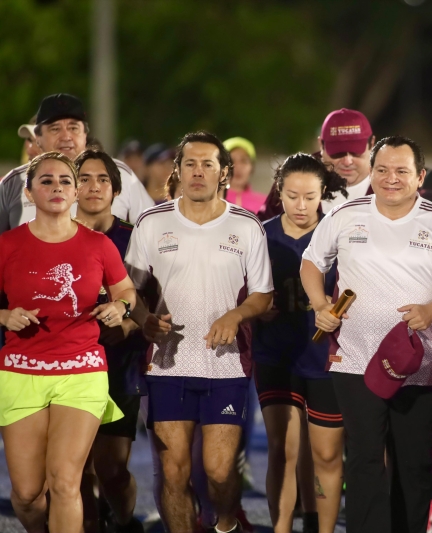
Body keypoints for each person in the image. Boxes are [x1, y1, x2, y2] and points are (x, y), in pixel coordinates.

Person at [301, 136, 432, 533]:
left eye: (401, 171)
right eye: (382, 169)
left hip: (418, 362)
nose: (390, 178)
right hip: (354, 358)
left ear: (420, 176)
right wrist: (319, 305)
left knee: (413, 462)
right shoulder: (347, 214)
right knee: (363, 458)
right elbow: (312, 262)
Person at [125, 131, 273, 533]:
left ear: (225, 173)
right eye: (190, 163)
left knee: (220, 472)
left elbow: (263, 296)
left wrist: (236, 315)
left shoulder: (246, 226)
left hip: (226, 366)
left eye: (208, 164)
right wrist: (143, 320)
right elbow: (128, 290)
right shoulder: (152, 223)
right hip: (166, 365)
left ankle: (225, 521)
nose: (198, 172)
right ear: (177, 170)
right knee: (173, 472)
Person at [0, 151, 137, 533]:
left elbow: (125, 289)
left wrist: (120, 306)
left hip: (82, 371)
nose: (56, 187)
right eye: (46, 180)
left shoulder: (98, 245)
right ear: (29, 193)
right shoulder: (7, 245)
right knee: (27, 495)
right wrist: (4, 316)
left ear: (76, 192)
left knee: (64, 481)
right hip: (20, 371)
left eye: (64, 181)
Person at [253, 153, 349, 533]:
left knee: (326, 454)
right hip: (276, 354)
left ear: (323, 192)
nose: (302, 206)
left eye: (310, 196)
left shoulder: (339, 234)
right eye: (293, 196)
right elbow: (241, 290)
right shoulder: (260, 233)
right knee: (283, 449)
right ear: (279, 192)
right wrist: (255, 309)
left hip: (325, 358)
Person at [73, 149, 147, 533]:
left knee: (111, 468)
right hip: (69, 363)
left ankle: (123, 520)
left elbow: (150, 304)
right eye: (84, 178)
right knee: (75, 467)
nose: (93, 187)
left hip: (119, 363)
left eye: (102, 179)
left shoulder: (135, 239)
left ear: (116, 189)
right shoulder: (54, 235)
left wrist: (128, 325)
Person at [0, 94, 153, 234]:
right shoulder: (14, 183)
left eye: (73, 128)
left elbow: (152, 231)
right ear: (38, 137)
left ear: (85, 134)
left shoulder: (120, 174)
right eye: (55, 129)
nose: (66, 136)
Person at [223, 137, 267, 214]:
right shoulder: (210, 201)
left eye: (244, 161)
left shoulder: (265, 204)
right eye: (231, 161)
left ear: (252, 167)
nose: (237, 167)